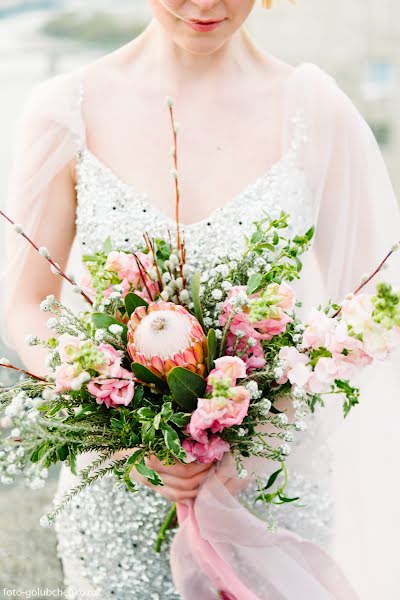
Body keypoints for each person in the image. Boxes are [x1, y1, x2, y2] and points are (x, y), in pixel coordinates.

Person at [1, 1, 400, 598]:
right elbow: (27, 300)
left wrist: (264, 423)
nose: (206, 4)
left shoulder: (315, 109)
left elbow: (376, 301)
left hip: (268, 490)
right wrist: (125, 428)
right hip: (120, 501)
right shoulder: (66, 110)